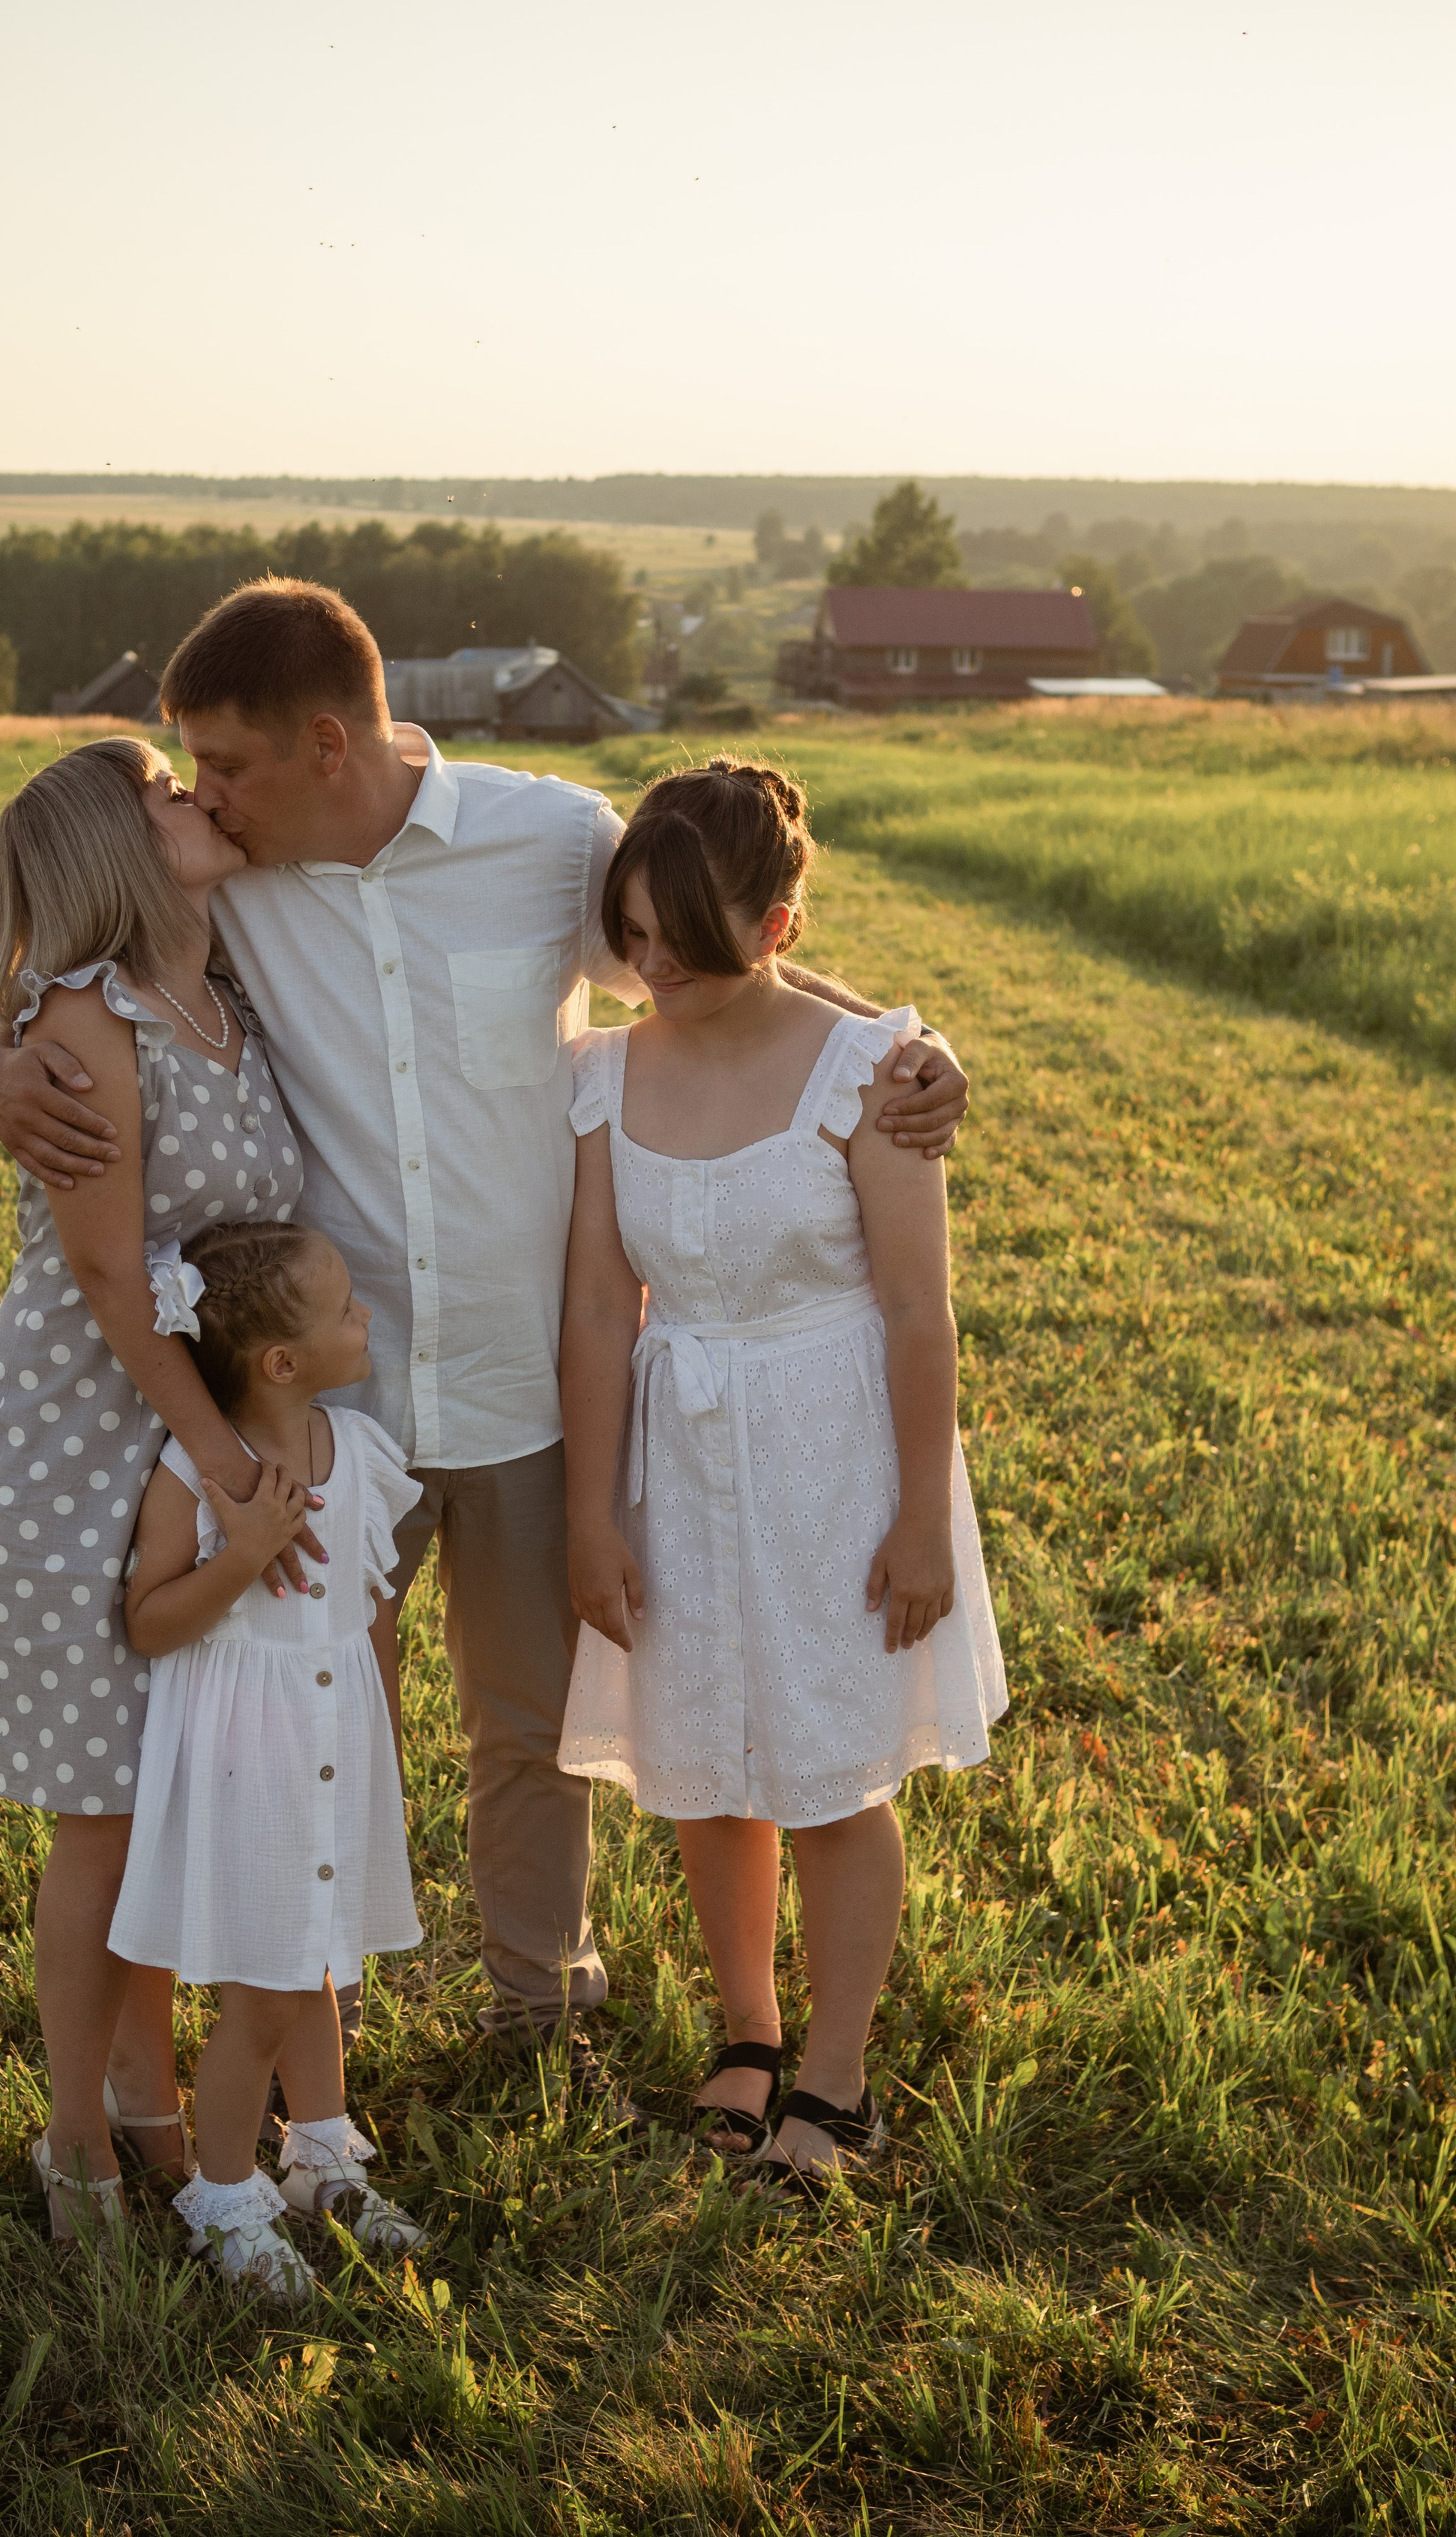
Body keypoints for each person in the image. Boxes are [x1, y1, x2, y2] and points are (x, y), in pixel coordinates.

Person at [0, 580, 972, 2115]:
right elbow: (81, 957)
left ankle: (534, 1998)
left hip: (525, 1366)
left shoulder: (550, 840)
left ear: (324, 742)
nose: (203, 796)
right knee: (318, 1707)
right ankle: (313, 2034)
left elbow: (719, 958)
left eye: (223, 765)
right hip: (324, 1388)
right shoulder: (228, 878)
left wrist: (910, 1040)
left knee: (526, 1718)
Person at [557, 760, 1007, 2186]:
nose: (653, 966)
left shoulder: (873, 1068)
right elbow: (593, 1309)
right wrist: (588, 1512)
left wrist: (924, 1514)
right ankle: (746, 2029)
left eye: (687, 935)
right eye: (631, 933)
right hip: (676, 1452)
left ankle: (836, 2072)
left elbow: (921, 1306)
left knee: (825, 1770)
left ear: (780, 924)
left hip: (836, 1450)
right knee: (706, 1769)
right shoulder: (607, 1073)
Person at [0, 735, 320, 2248]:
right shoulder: (80, 1024)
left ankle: (154, 2107)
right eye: (167, 788)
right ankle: (78, 2148)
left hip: (200, 1423)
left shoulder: (229, 986)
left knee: (182, 1782)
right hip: (84, 1431)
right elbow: (113, 1275)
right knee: (105, 1810)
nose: (199, 796)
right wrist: (231, 1461)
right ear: (113, 844)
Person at [111, 1217, 428, 2299]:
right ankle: (225, 2194)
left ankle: (323, 2155)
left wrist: (385, 1730)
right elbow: (150, 1620)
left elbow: (374, 1607)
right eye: (346, 1308)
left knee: (321, 1962)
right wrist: (242, 1555)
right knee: (263, 1991)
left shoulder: (358, 1451)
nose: (365, 1314)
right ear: (281, 1363)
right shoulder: (197, 1476)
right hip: (251, 1757)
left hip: (338, 1741)